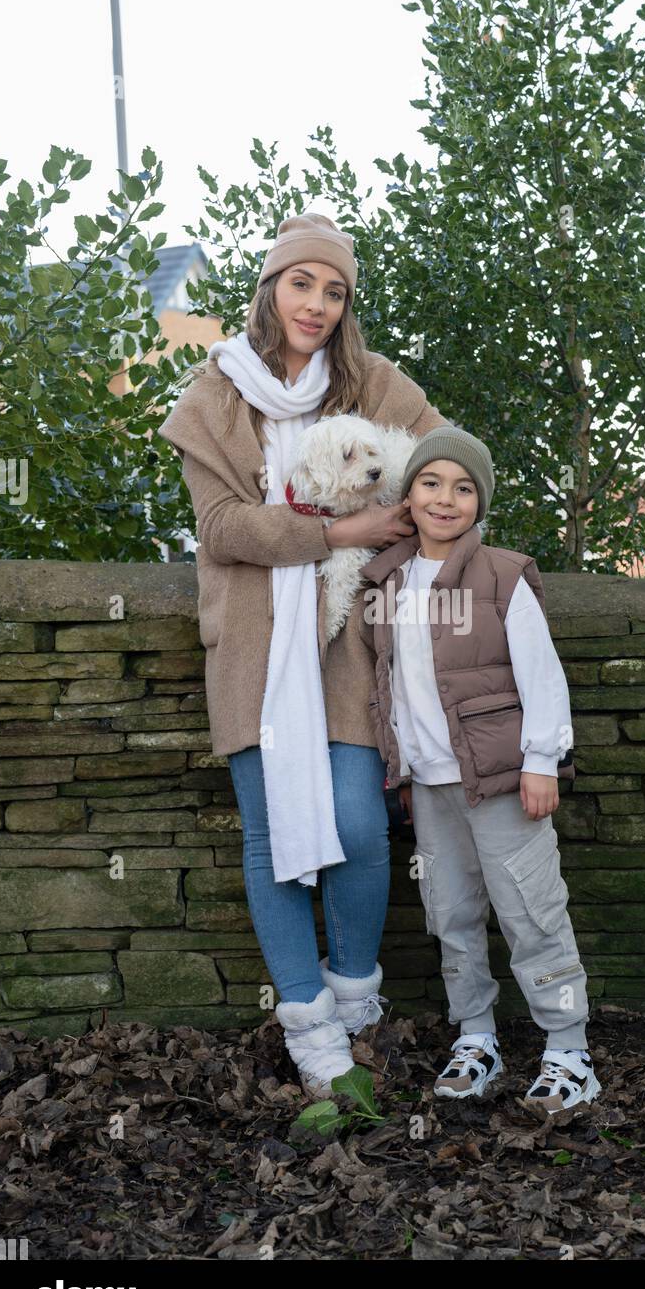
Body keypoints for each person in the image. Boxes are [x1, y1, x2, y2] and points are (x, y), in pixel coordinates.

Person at [157, 212, 449, 1099]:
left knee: (361, 826)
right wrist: (335, 531)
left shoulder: (375, 386)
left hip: (350, 639)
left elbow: (449, 466)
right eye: (301, 284)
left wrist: (398, 528)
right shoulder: (215, 397)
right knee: (269, 838)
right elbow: (220, 530)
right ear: (269, 288)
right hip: (254, 639)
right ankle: (310, 1026)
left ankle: (356, 998)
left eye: (334, 290)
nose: (316, 304)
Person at [358, 425, 602, 1115]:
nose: (446, 498)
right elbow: (390, 680)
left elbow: (541, 675)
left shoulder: (501, 574)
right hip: (429, 785)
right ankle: (477, 1038)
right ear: (408, 493)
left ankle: (568, 1050)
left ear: (480, 502)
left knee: (530, 910)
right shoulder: (387, 577)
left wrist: (542, 760)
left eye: (464, 488)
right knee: (452, 914)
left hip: (500, 779)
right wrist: (396, 768)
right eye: (431, 483)